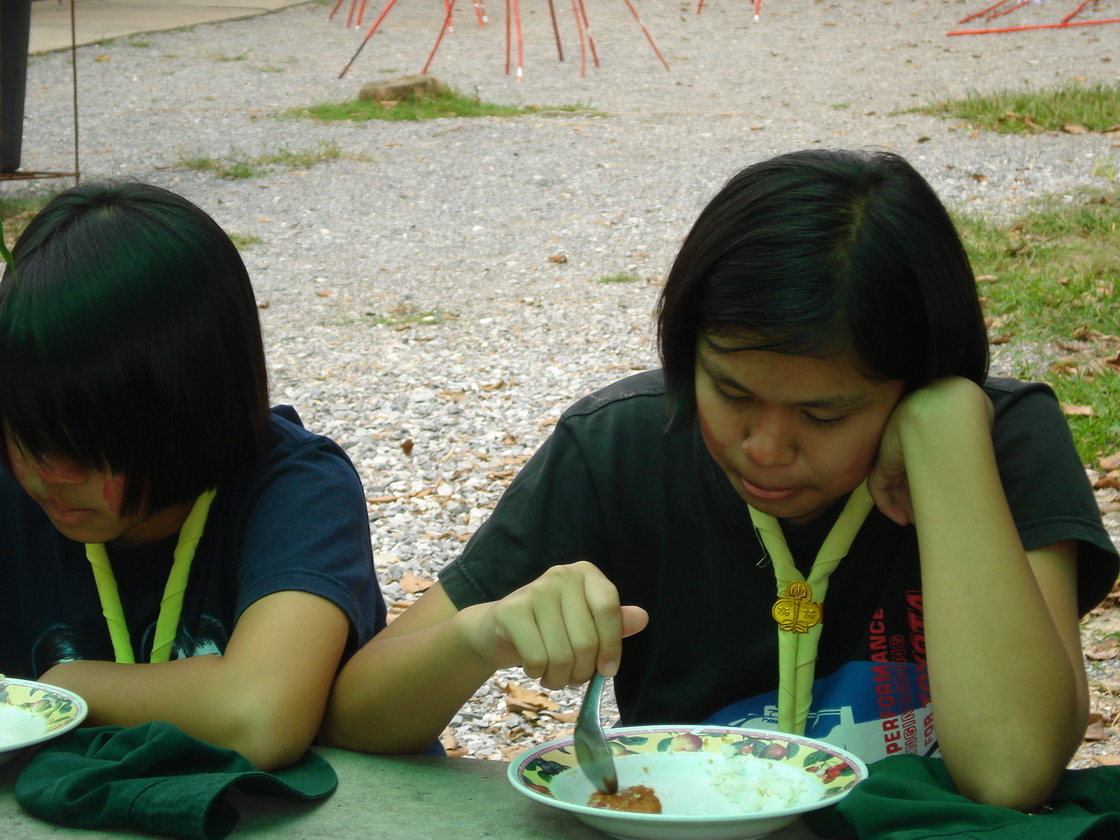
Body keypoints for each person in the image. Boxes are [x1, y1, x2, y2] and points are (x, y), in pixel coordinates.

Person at [323, 149, 1118, 810]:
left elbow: (1012, 771)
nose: (765, 448)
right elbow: (354, 720)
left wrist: (945, 430)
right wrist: (484, 634)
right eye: (732, 393)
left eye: (825, 414)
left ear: (919, 382)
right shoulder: (625, 445)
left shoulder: (999, 440)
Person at [0, 181, 384, 771]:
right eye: (28, 433)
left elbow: (259, 715)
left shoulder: (296, 489)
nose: (49, 473)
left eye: (89, 444)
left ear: (192, 409)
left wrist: (64, 687)